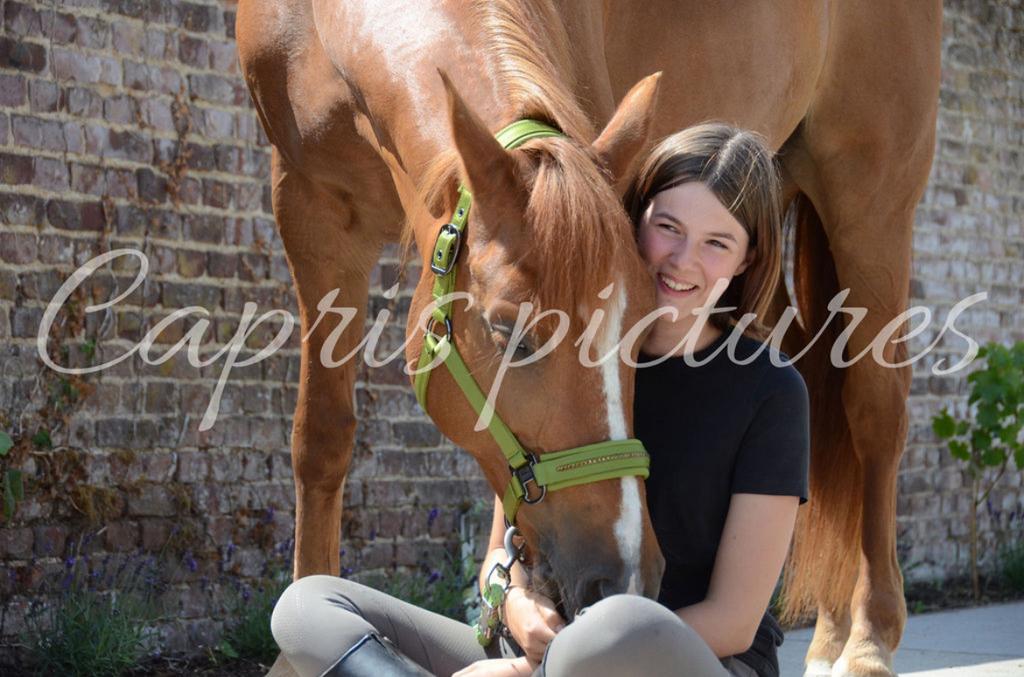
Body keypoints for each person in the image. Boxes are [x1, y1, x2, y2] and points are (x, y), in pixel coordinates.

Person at [270, 123, 809, 677]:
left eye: (717, 243)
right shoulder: (568, 356)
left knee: (621, 624)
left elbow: (733, 621)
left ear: (746, 260)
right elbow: (499, 555)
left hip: (683, 660)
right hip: (533, 653)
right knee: (307, 608)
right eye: (668, 228)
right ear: (633, 222)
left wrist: (543, 665)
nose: (682, 259)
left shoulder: (769, 390)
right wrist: (514, 604)